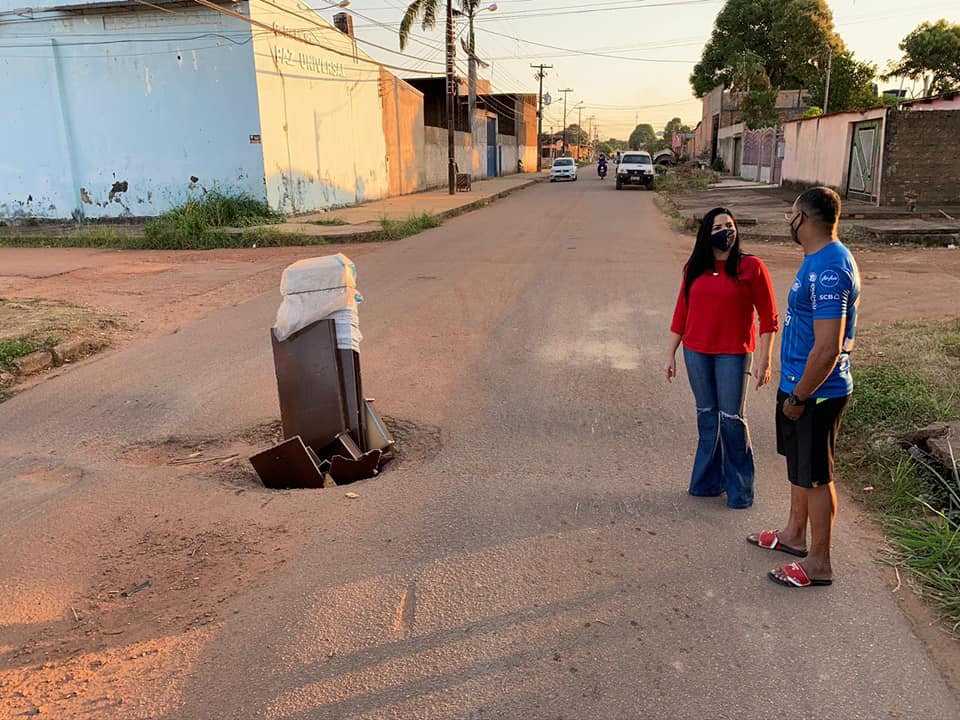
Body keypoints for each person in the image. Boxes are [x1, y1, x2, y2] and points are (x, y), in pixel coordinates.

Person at [748, 186, 861, 589]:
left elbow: (827, 345)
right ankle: (794, 536)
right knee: (800, 470)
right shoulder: (815, 259)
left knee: (816, 477)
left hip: (818, 391)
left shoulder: (831, 267)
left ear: (806, 219)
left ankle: (819, 562)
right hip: (799, 383)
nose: (789, 222)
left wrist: (800, 396)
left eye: (792, 215)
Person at [666, 207, 779, 509]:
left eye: (730, 225)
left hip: (734, 353)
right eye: (719, 226)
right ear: (707, 232)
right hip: (696, 352)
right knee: (707, 415)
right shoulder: (694, 269)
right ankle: (706, 483)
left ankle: (740, 490)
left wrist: (766, 360)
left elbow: (769, 318)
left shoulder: (751, 267)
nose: (726, 231)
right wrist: (671, 353)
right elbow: (682, 312)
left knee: (731, 419)